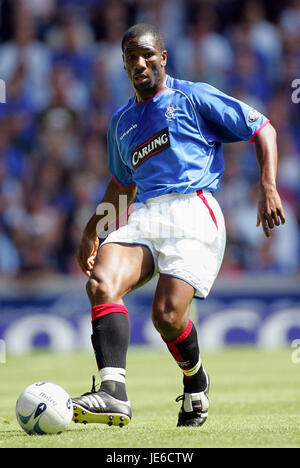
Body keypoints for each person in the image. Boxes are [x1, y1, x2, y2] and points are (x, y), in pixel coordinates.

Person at [72, 23, 285, 428]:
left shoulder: (193, 96)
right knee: (101, 281)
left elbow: (262, 128)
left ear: (163, 58)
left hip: (194, 210)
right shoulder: (121, 123)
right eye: (131, 56)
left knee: (166, 316)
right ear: (123, 63)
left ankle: (196, 379)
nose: (140, 62)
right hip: (147, 213)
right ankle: (112, 392)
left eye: (147, 54)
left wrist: (268, 185)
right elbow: (122, 183)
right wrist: (92, 230)